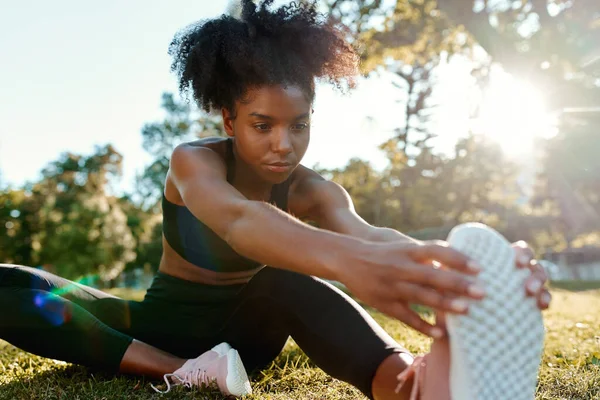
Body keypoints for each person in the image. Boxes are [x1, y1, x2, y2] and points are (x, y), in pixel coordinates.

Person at [0, 1, 551, 399]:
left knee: (281, 280)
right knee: (10, 283)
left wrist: (465, 273)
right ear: (230, 119)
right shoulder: (194, 161)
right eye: (262, 126)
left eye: (298, 125)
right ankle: (180, 370)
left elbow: (368, 236)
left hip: (247, 336)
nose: (282, 144)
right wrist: (346, 259)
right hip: (161, 325)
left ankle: (411, 386)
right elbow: (240, 218)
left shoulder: (313, 188)